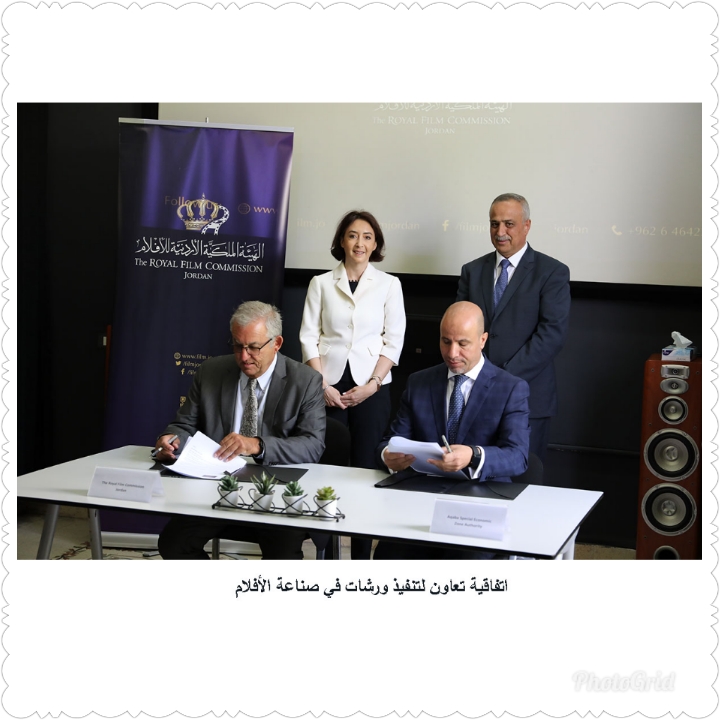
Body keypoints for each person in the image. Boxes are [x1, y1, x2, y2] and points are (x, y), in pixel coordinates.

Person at [154, 301, 325, 560]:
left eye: (254, 347)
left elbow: (312, 445)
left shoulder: (306, 380)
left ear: (276, 343)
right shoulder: (211, 371)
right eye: (237, 346)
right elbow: (184, 425)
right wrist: (171, 441)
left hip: (275, 491)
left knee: (283, 558)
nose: (244, 357)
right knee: (173, 544)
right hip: (216, 487)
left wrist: (257, 445)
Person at [374, 301, 529, 560]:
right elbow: (389, 441)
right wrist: (388, 456)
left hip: (481, 508)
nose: (452, 353)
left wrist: (474, 455)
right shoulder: (419, 382)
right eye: (445, 341)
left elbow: (518, 456)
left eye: (462, 344)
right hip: (421, 503)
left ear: (482, 340)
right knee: (388, 557)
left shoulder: (511, 388)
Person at [299, 209, 406, 559]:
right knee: (328, 470)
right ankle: (326, 554)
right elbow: (308, 337)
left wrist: (374, 384)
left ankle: (361, 557)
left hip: (372, 386)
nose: (360, 243)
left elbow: (394, 340)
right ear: (342, 241)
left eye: (367, 237)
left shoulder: (389, 285)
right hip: (327, 386)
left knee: (366, 470)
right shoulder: (320, 283)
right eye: (353, 235)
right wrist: (320, 385)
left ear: (375, 245)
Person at [456, 193, 570, 461]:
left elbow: (551, 334)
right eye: (494, 224)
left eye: (509, 224)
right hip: (474, 395)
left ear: (526, 226)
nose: (500, 232)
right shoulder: (472, 271)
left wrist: (500, 379)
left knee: (523, 476)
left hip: (527, 396)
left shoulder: (552, 271)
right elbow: (460, 329)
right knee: (474, 473)